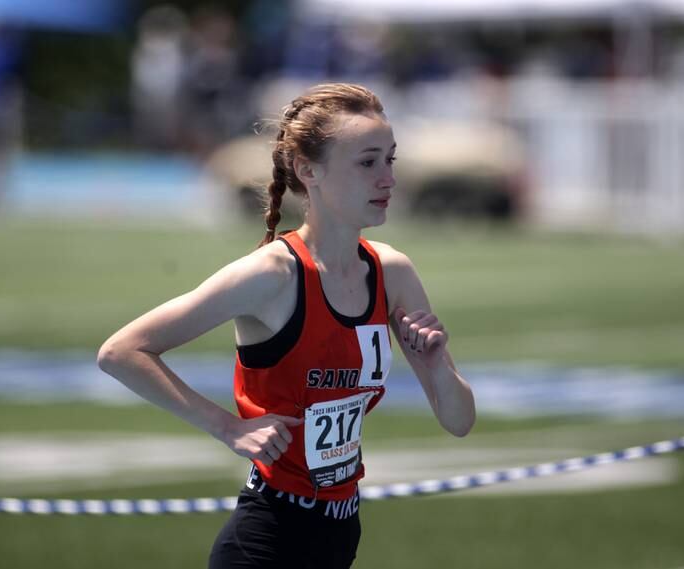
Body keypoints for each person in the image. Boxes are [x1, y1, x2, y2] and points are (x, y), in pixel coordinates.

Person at [97, 83, 476, 569]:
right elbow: (122, 351)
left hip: (340, 534)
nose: (387, 179)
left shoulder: (393, 272)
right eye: (367, 163)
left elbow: (459, 420)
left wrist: (434, 363)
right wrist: (227, 427)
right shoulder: (271, 275)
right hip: (266, 539)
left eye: (390, 160)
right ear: (307, 170)